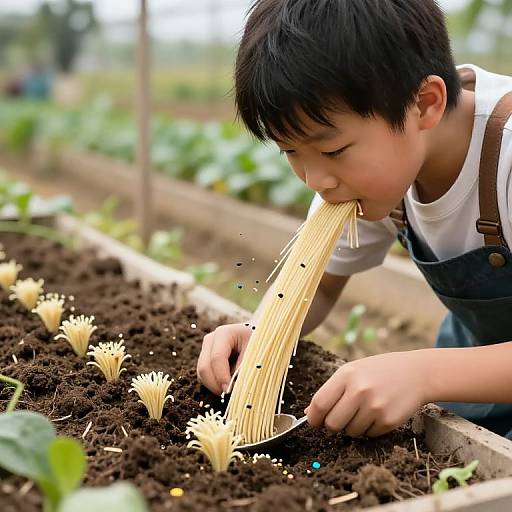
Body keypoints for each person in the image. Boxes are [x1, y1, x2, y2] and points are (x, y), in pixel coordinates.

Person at [196, 0, 512, 439]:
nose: (315, 179)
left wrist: (423, 373)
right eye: (291, 152)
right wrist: (261, 332)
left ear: (425, 104)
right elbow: (319, 285)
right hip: (475, 376)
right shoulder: (374, 172)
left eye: (332, 151)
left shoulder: (507, 156)